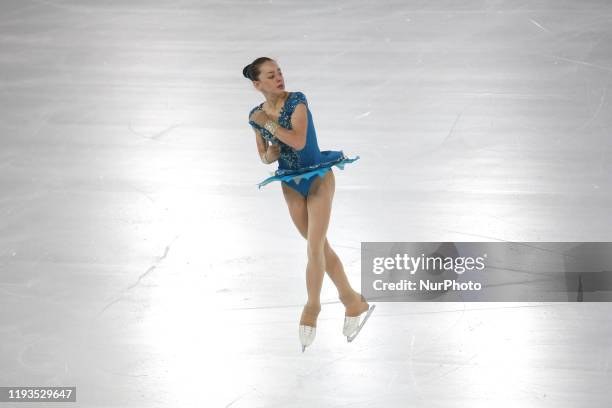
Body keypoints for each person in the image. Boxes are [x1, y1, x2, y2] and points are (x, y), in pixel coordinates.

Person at [243, 57, 375, 351]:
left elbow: (300, 142)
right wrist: (271, 151)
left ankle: (312, 308)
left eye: (279, 72)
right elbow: (264, 156)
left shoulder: (297, 101)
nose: (279, 78)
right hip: (290, 184)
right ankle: (353, 302)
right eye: (270, 75)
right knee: (322, 248)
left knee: (314, 248)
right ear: (257, 84)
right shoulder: (255, 116)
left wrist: (273, 129)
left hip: (317, 177)